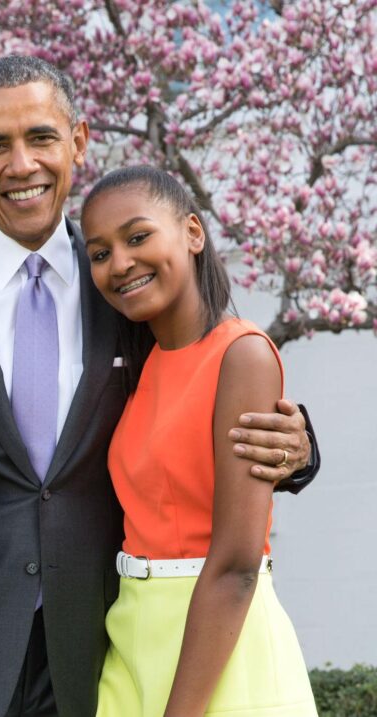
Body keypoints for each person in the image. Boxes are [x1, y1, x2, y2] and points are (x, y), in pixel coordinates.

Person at [0, 55, 320, 717]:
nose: (23, 164)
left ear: (79, 141)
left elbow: (203, 379)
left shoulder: (129, 288)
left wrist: (295, 450)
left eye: (41, 137)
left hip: (100, 637)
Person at [81, 165, 316, 716]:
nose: (120, 263)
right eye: (99, 253)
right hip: (132, 638)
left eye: (138, 237)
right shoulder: (140, 367)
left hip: (220, 647)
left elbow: (236, 563)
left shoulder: (243, 354)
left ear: (192, 232)